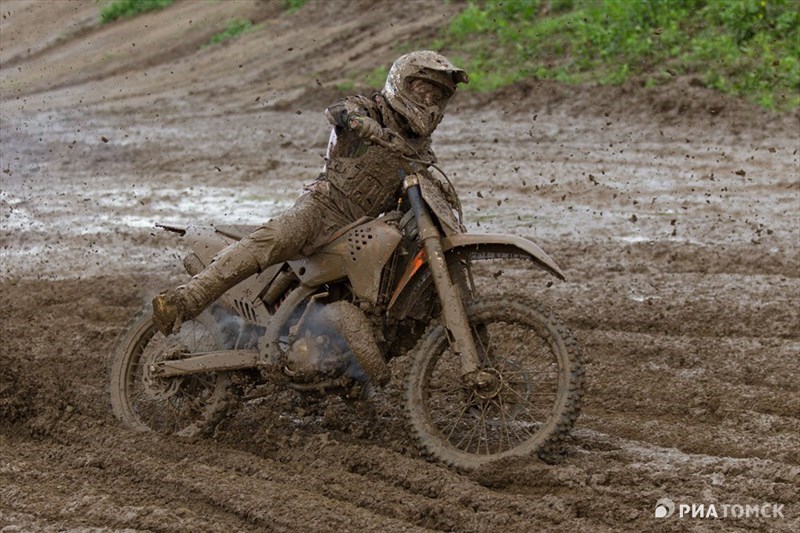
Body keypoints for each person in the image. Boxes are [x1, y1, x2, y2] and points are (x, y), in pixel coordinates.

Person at [152, 51, 469, 336]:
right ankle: (186, 298)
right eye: (422, 88)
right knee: (276, 237)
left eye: (437, 94)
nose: (428, 98)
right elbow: (339, 110)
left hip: (363, 228)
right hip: (324, 207)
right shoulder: (371, 109)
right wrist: (361, 124)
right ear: (401, 83)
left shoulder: (420, 150)